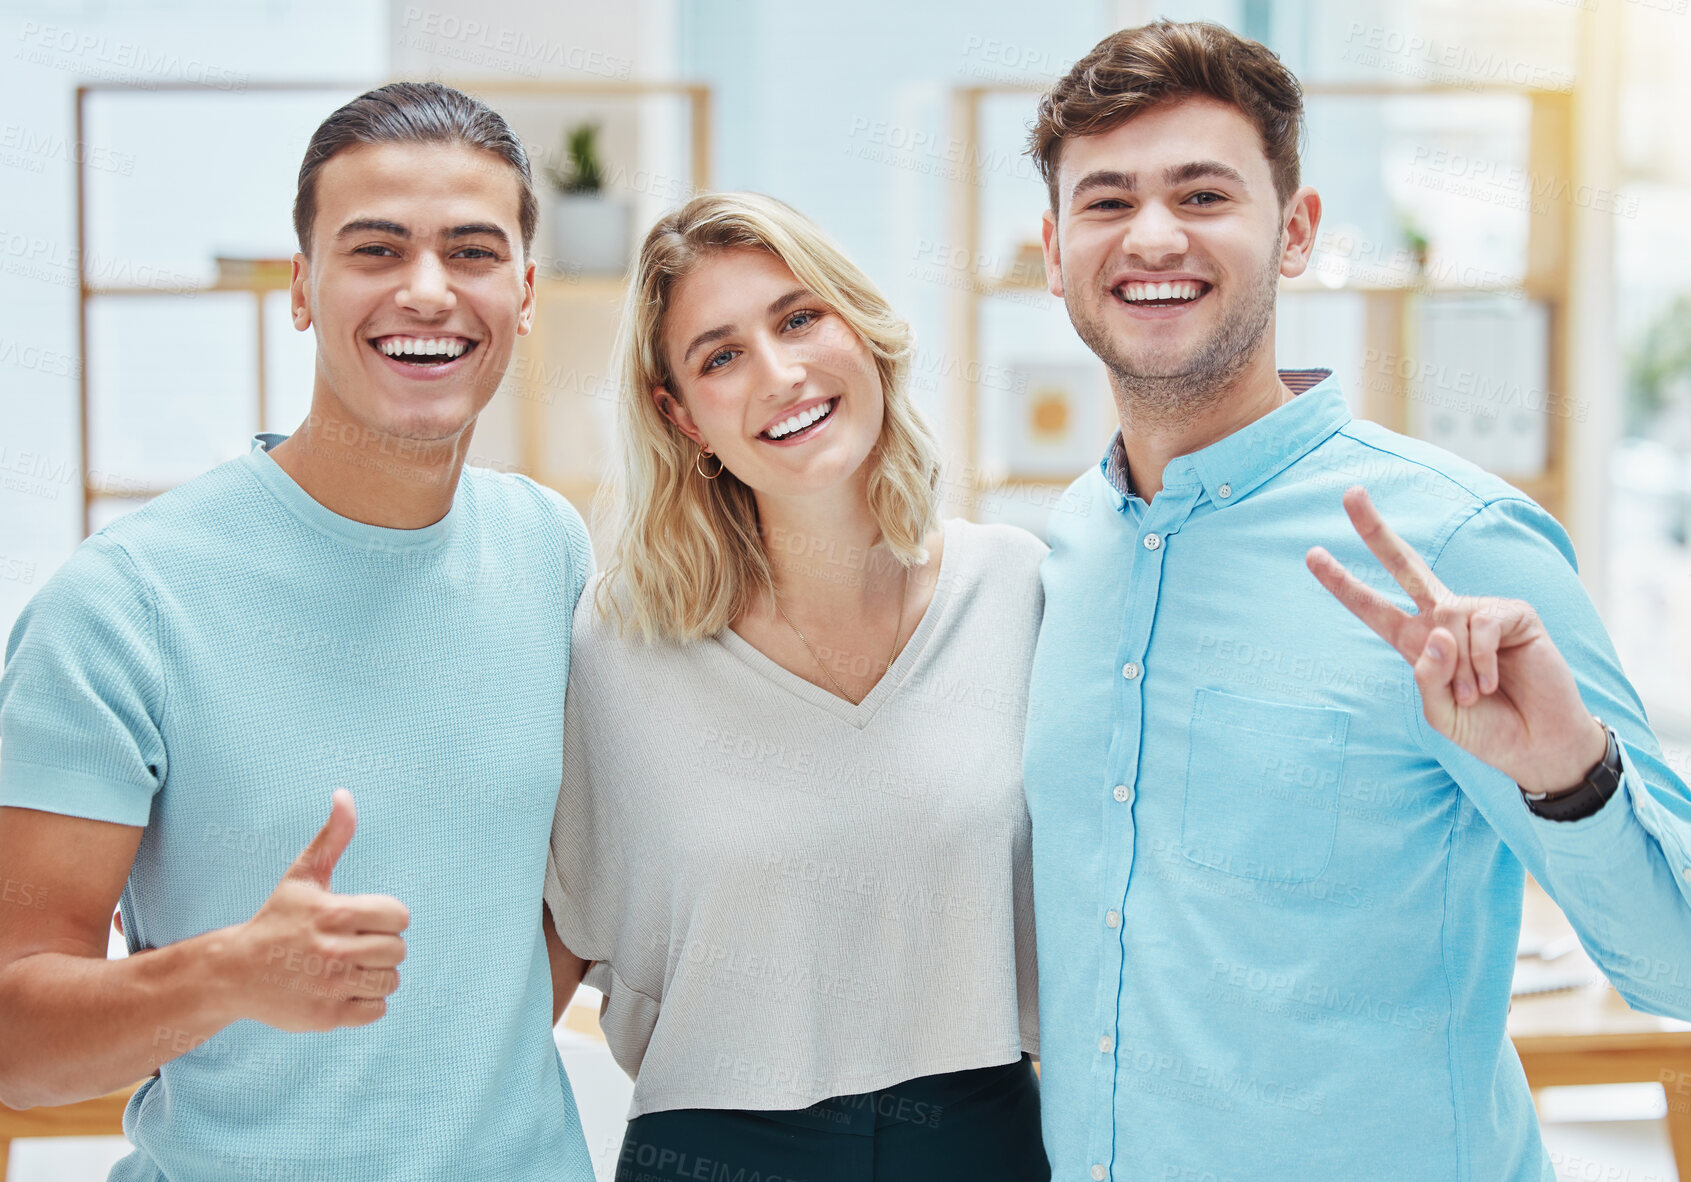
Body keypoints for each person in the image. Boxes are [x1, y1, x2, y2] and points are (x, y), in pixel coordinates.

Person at [1021, 20, 1691, 1182]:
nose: (1153, 235)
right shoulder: (1061, 553)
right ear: (1051, 249)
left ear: (1295, 233)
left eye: (1201, 192)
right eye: (1106, 200)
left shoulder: (1459, 547)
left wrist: (1568, 777)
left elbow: (1673, 968)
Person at [0, 82, 595, 1181]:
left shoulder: (549, 552)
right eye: (375, 250)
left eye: (471, 251)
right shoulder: (124, 604)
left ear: (522, 288)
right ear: (303, 289)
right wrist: (226, 978)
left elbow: (565, 900)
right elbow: (15, 1044)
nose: (427, 292)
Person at [543, 191, 1048, 1182]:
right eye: (719, 355)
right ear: (679, 415)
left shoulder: (1017, 593)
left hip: (984, 1141)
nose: (779, 374)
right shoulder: (616, 646)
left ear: (861, 334)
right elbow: (549, 957)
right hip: (716, 1150)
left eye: (798, 318)